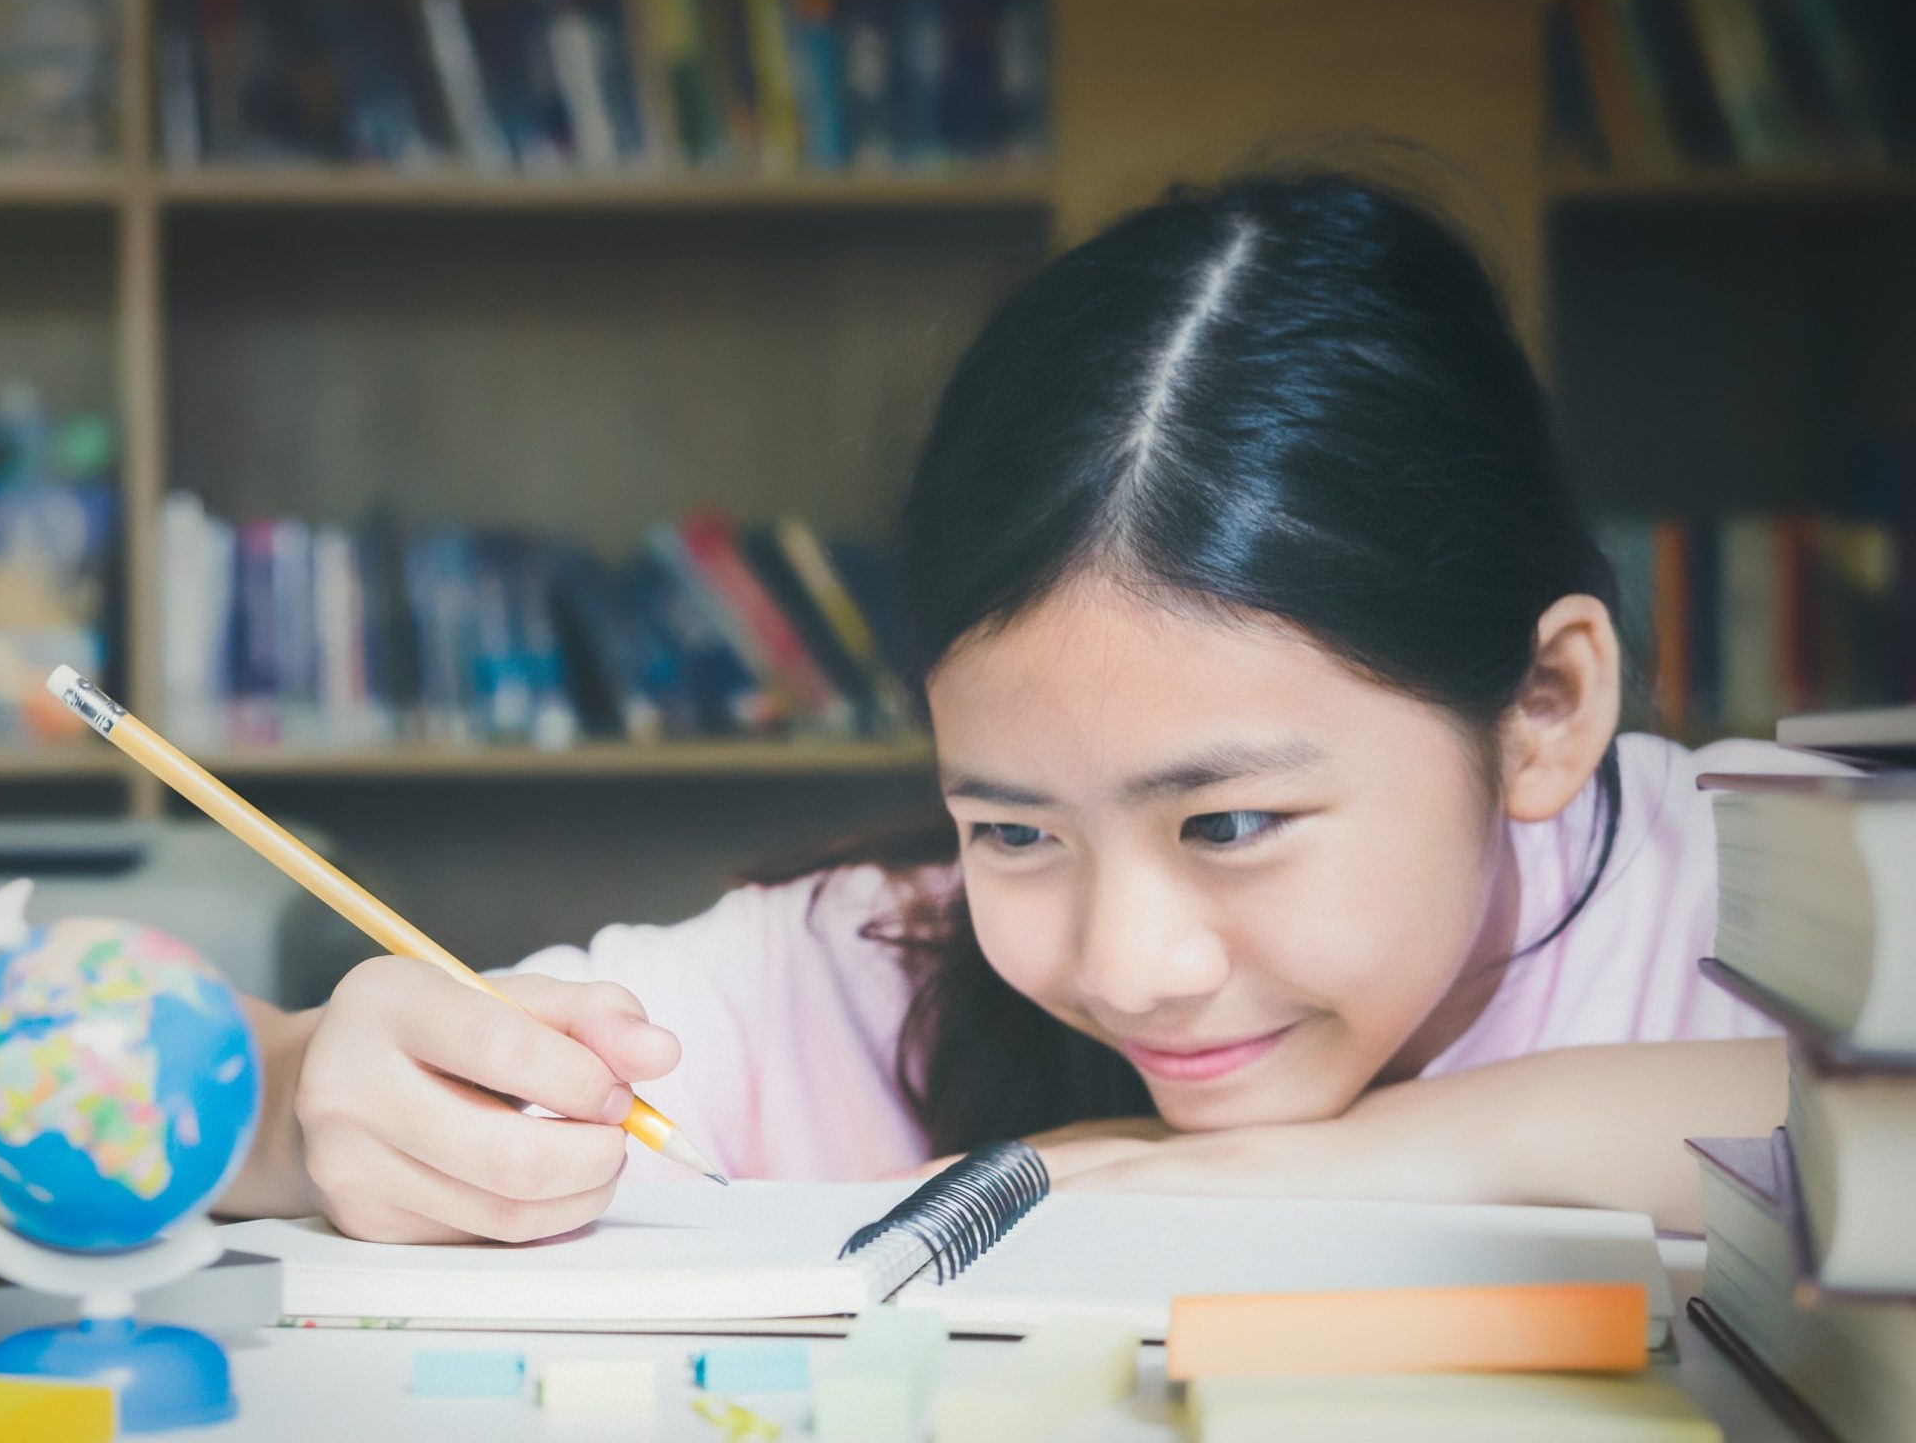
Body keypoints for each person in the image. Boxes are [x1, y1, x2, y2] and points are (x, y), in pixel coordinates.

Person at [213, 164, 1830, 1245]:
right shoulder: (872, 963)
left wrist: (1376, 1162)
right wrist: (296, 1103)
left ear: (1544, 709)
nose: (1127, 964)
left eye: (1233, 820)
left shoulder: (1802, 895)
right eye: (1012, 825)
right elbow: (148, 1063)